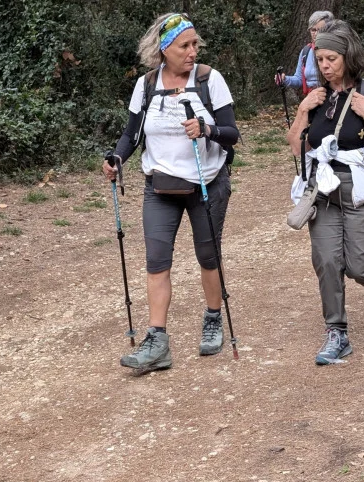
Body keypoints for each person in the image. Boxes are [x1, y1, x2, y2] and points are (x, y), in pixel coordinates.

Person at [101, 13, 240, 372]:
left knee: (208, 256)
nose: (193, 51)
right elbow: (131, 134)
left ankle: (213, 318)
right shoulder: (147, 84)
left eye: (195, 44)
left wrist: (206, 129)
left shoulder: (209, 80)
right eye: (184, 46)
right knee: (157, 261)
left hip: (206, 184)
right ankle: (157, 341)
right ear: (164, 49)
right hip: (160, 187)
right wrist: (117, 158)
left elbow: (231, 133)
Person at [286, 20, 364, 365]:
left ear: (347, 57)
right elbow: (297, 148)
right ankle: (336, 332)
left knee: (360, 267)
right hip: (323, 192)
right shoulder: (317, 98)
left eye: (331, 59)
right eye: (320, 59)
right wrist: (303, 109)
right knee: (327, 261)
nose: (325, 66)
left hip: (359, 191)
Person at [275, 10, 335, 94]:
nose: (316, 33)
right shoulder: (306, 51)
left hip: (332, 95)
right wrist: (284, 79)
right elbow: (299, 79)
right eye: (313, 30)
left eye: (321, 30)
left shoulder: (336, 50)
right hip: (312, 97)